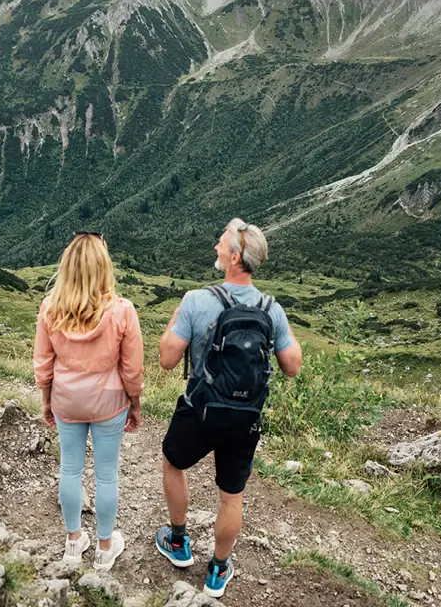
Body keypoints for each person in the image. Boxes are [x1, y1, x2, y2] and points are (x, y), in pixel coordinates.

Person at [154, 218, 303, 598]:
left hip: (200, 409)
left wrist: (176, 320)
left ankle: (177, 540)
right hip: (245, 418)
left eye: (220, 245)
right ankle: (218, 568)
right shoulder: (272, 309)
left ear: (235, 257)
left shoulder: (196, 300)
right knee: (231, 496)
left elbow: (167, 360)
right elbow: (292, 367)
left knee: (173, 463)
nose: (215, 249)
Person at [34, 230, 143, 571]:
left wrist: (47, 401)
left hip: (66, 398)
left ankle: (72, 542)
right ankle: (104, 547)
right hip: (109, 401)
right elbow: (132, 368)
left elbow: (43, 365)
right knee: (107, 475)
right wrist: (135, 404)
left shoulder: (51, 308)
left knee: (70, 469)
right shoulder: (122, 311)